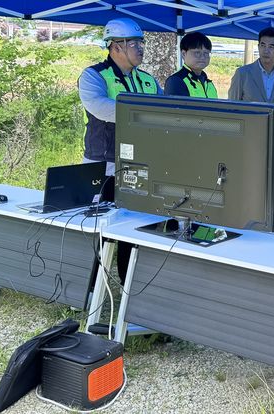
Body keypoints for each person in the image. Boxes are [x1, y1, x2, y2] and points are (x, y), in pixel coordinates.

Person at [78, 17, 163, 284]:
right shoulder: (93, 76)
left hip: (138, 165)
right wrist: (144, 113)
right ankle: (90, 289)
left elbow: (166, 111)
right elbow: (100, 107)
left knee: (132, 227)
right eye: (134, 43)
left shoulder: (148, 81)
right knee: (96, 227)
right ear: (115, 46)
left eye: (141, 43)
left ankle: (128, 285)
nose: (141, 48)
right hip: (102, 164)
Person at [228, 27, 274, 154]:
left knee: (273, 174)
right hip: (248, 137)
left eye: (271, 46)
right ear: (258, 46)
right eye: (263, 45)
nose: (266, 50)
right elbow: (232, 106)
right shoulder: (243, 73)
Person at [165, 32, 217, 98]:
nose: (202, 57)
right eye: (197, 53)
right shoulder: (176, 81)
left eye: (206, 53)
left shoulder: (209, 83)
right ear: (184, 54)